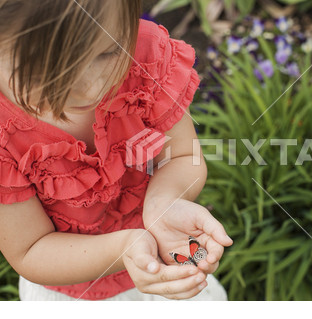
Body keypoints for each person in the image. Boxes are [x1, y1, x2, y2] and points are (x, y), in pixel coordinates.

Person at [0, 0, 233, 301]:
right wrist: (124, 249)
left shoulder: (145, 59)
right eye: (46, 73)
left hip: (167, 253)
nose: (90, 87)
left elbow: (181, 156)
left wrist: (165, 201)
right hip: (71, 289)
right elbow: (30, 249)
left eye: (108, 52)